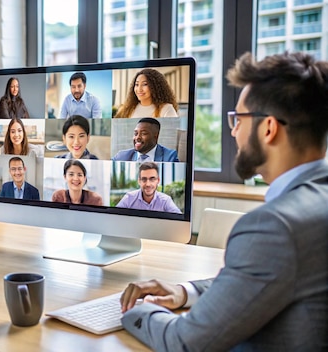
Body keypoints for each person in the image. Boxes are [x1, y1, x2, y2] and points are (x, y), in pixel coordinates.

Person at [120, 52, 328, 351]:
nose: (233, 130)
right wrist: (185, 291)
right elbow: (256, 280)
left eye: (238, 119)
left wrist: (131, 310)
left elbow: (184, 341)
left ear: (268, 128)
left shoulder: (275, 227)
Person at [116, 162, 181, 213]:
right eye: (144, 179)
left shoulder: (165, 201)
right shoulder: (129, 198)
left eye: (152, 179)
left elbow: (179, 221)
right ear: (139, 181)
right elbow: (115, 218)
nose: (148, 184)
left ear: (158, 180)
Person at [114, 68, 178, 118]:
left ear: (155, 86)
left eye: (145, 84)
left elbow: (173, 133)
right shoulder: (127, 109)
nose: (139, 89)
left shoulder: (166, 109)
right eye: (137, 84)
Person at [112, 117, 179, 162]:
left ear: (156, 136)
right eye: (135, 133)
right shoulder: (121, 156)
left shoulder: (170, 157)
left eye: (143, 133)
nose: (137, 137)